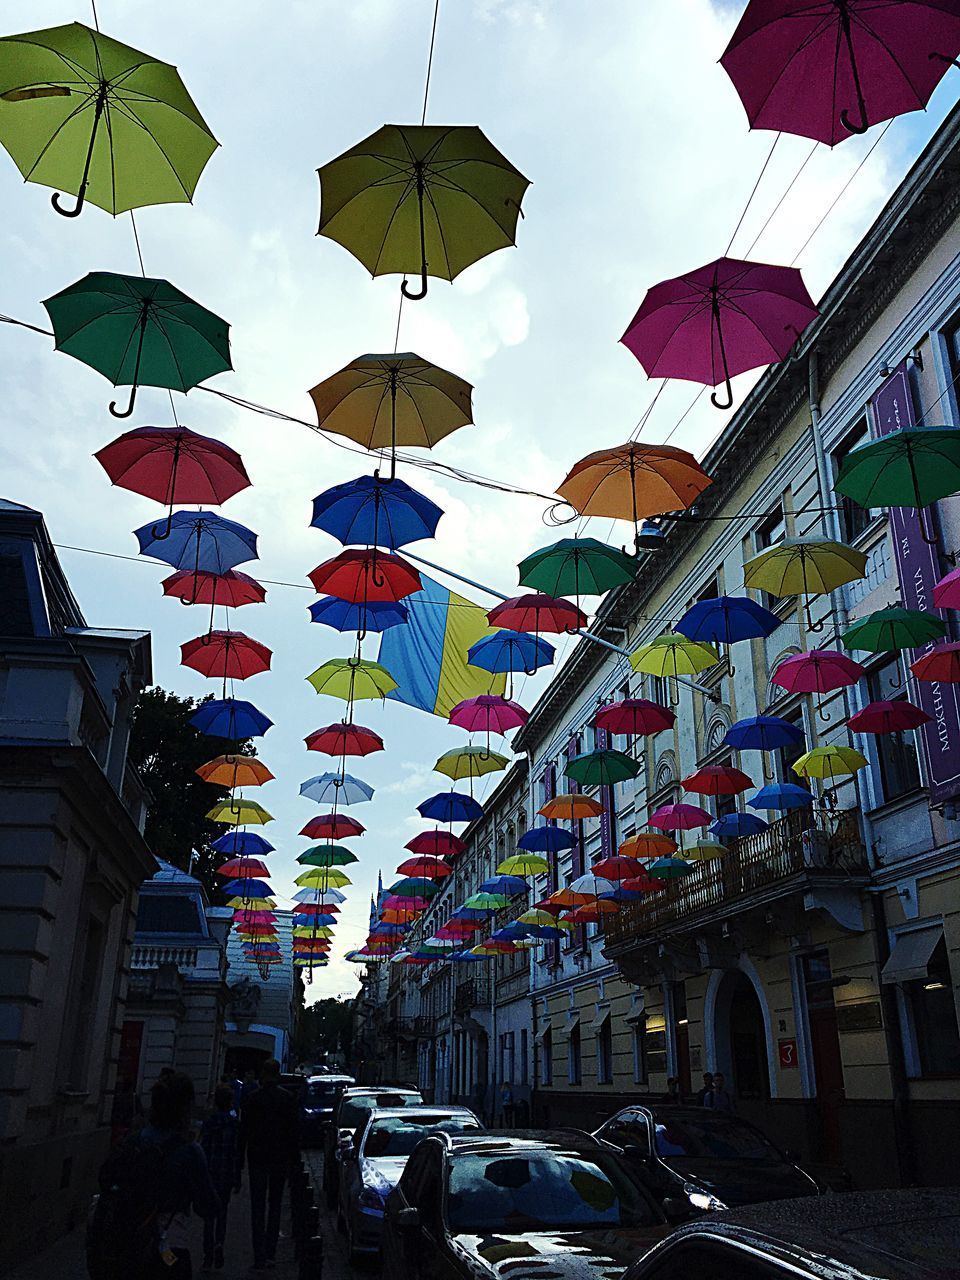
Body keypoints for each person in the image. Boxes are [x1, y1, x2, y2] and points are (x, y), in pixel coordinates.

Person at [140, 1072, 221, 1278]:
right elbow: (208, 1206)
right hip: (169, 1244)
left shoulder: (135, 1142)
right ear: (184, 1109)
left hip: (130, 1242)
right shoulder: (189, 1151)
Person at [240, 1058, 299, 1271]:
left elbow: (243, 1133)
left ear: (263, 1074)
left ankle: (259, 1256)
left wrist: (238, 1165)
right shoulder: (288, 1099)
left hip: (257, 1159)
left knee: (258, 1208)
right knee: (275, 1206)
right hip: (279, 1159)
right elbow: (294, 1134)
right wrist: (293, 1160)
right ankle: (271, 1253)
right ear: (278, 1074)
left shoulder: (251, 1099)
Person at [200, 1084, 243, 1271]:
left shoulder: (209, 1123)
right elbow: (236, 1153)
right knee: (222, 1213)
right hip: (226, 1174)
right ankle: (219, 1244)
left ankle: (208, 1254)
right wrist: (237, 1177)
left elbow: (203, 1148)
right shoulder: (234, 1124)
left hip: (210, 1174)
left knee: (208, 1216)